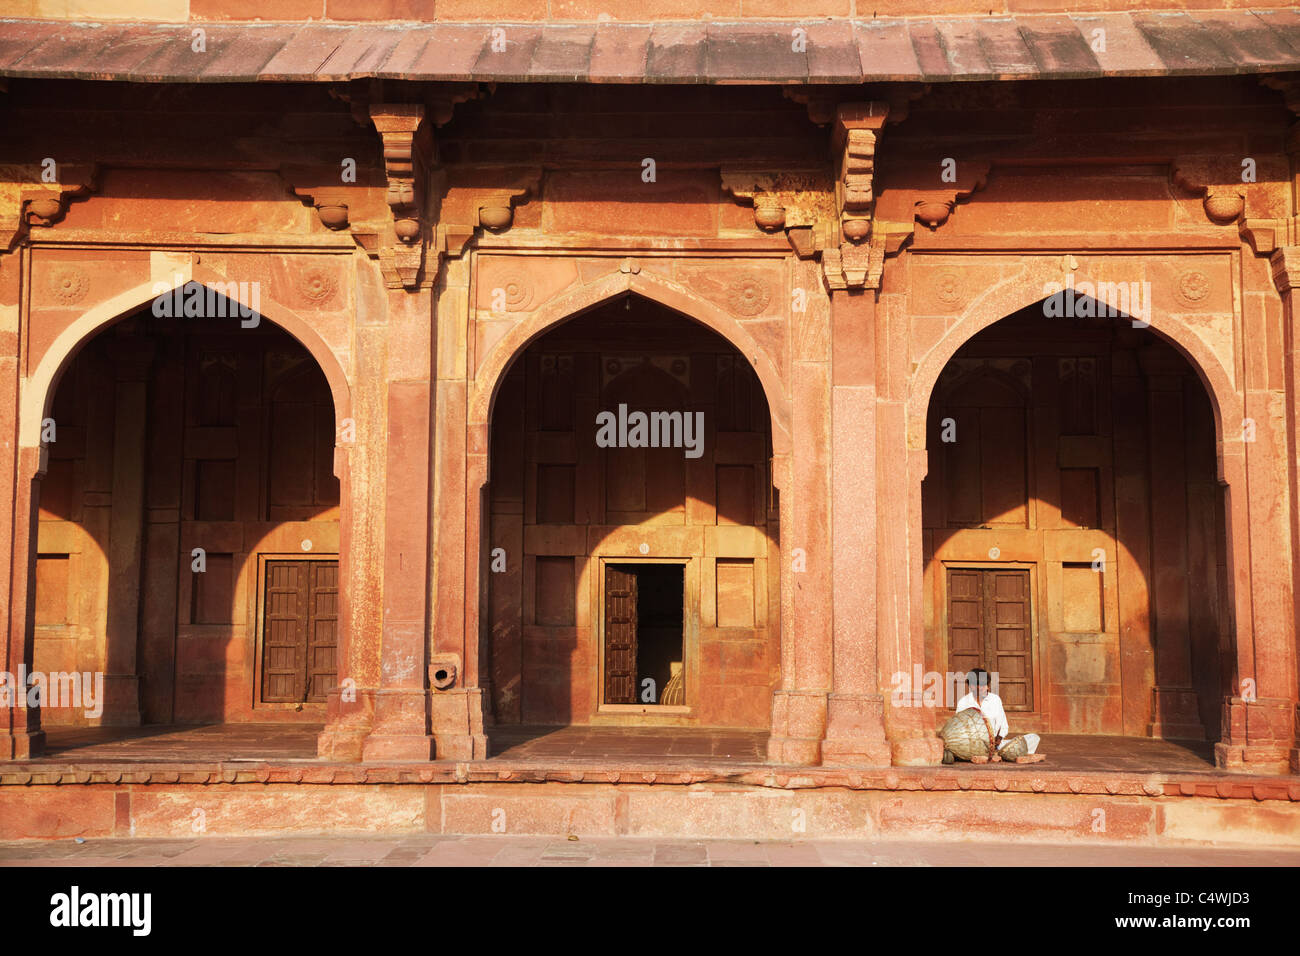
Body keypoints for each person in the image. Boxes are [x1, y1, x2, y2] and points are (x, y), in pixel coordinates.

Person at [949, 668, 1043, 764]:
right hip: (971, 745)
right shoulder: (964, 702)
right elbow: (957, 729)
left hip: (994, 745)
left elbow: (1004, 726)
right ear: (970, 686)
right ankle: (991, 756)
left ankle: (994, 754)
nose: (979, 688)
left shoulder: (995, 700)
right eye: (975, 685)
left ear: (988, 686)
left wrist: (998, 739)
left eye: (983, 685)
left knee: (1033, 738)